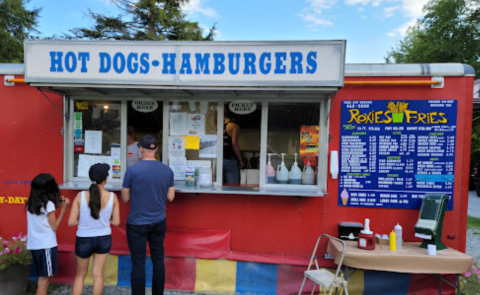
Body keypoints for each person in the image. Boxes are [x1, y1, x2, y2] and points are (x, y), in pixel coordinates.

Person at [121, 135, 175, 295]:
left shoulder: (132, 170)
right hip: (158, 221)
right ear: (156, 149)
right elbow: (171, 197)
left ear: (141, 148)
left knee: (138, 262)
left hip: (137, 223)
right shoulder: (167, 170)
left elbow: (124, 198)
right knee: (158, 260)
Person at [67, 163, 121, 295]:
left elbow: (71, 222)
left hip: (84, 239)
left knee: (80, 276)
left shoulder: (80, 196)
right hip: (104, 239)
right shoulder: (113, 197)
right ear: (106, 178)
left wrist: (83, 219)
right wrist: (106, 219)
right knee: (98, 275)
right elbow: (116, 222)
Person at [26, 173, 70, 295]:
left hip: (35, 245)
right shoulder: (48, 205)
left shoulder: (30, 204)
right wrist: (64, 209)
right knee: (44, 279)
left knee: (46, 277)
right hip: (46, 246)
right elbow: (54, 226)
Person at [223, 110, 244, 184]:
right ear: (235, 118)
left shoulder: (219, 127)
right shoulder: (234, 126)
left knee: (222, 186)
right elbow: (234, 143)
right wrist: (240, 160)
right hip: (230, 160)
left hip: (220, 160)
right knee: (233, 187)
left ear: (224, 117)